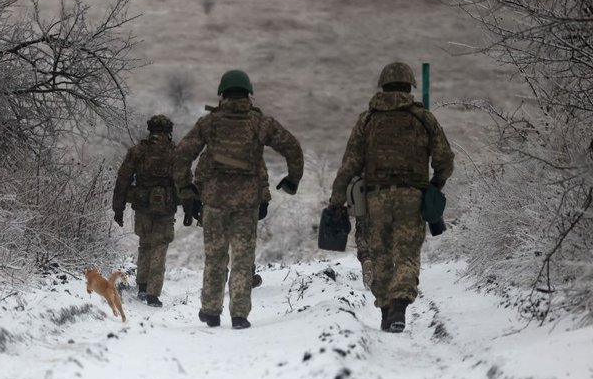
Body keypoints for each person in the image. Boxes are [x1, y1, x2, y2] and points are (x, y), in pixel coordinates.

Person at [327, 62, 454, 332]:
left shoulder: (368, 119)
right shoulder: (423, 118)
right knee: (407, 253)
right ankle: (399, 306)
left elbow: (349, 165)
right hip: (412, 197)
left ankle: (386, 308)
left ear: (383, 86)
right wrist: (435, 185)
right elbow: (445, 158)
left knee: (380, 254)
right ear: (409, 87)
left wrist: (336, 200)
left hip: (376, 199)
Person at [175, 69, 303, 329]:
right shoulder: (261, 123)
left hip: (214, 202)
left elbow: (181, 155)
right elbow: (292, 147)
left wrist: (186, 189)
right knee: (243, 259)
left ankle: (211, 310)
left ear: (222, 94)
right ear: (249, 94)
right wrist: (292, 180)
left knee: (215, 257)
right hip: (247, 204)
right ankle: (239, 315)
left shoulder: (209, 123)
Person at [112, 114, 179, 308]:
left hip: (142, 206)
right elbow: (185, 182)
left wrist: (118, 208)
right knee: (160, 247)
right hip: (166, 208)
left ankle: (142, 285)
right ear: (169, 132)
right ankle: (152, 294)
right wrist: (191, 210)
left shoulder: (137, 151)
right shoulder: (176, 152)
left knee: (145, 243)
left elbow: (122, 180)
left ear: (150, 130)